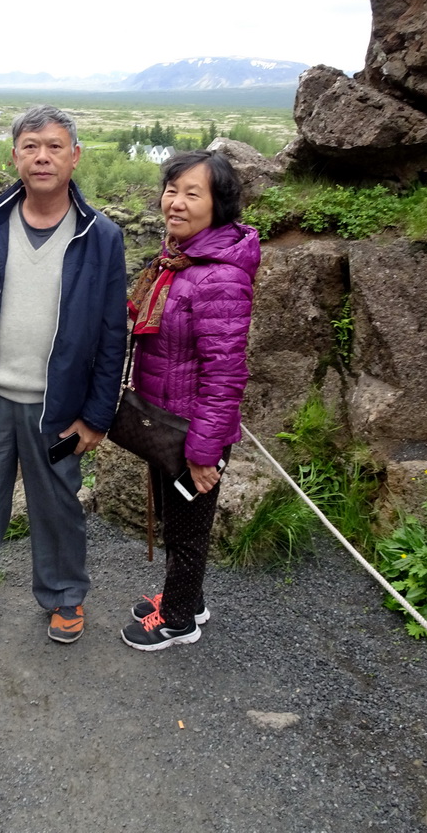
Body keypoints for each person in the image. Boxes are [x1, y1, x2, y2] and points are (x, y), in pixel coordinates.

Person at [0, 105, 128, 643]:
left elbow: (114, 335)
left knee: (59, 508)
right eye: (31, 146)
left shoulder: (101, 236)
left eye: (55, 146)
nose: (43, 156)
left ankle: (65, 598)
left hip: (58, 411)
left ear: (75, 156)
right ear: (14, 156)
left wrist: (96, 416)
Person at [120, 150, 260, 651]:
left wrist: (205, 451)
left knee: (187, 529)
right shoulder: (177, 259)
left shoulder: (220, 275)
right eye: (171, 189)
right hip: (166, 421)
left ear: (218, 205)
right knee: (179, 520)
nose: (175, 203)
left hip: (193, 431)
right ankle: (187, 599)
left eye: (191, 193)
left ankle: (179, 620)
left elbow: (226, 373)